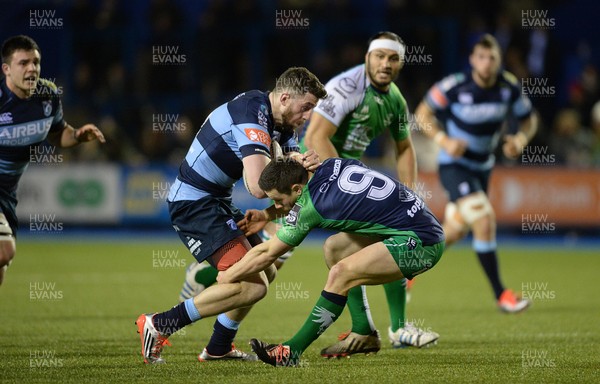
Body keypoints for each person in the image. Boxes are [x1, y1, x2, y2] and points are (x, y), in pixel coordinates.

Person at [177, 31, 439, 355]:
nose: (385, 64)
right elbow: (314, 138)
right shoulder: (347, 89)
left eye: (393, 58)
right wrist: (331, 180)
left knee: (286, 259)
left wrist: (404, 195)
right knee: (292, 259)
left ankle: (377, 330)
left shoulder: (394, 98)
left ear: (401, 64)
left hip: (325, 189)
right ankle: (208, 285)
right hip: (319, 184)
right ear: (367, 58)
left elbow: (404, 147)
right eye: (379, 56)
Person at [135, 67, 327, 364]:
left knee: (269, 269)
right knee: (253, 285)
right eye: (306, 108)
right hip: (194, 204)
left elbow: (289, 192)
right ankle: (160, 324)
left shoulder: (286, 127)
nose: (307, 116)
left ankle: (218, 347)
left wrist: (302, 168)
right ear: (286, 98)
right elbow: (258, 187)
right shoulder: (251, 112)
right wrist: (288, 160)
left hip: (216, 201)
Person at [217, 158, 445, 367]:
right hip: (419, 226)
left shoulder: (311, 207)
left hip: (422, 245)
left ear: (297, 189)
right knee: (334, 249)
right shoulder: (331, 164)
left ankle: (291, 352)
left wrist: (229, 275)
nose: (276, 206)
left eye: (277, 200)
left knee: (341, 274)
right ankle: (363, 332)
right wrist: (267, 215)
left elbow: (267, 253)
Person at [414, 34, 537, 313]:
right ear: (472, 60)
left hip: (483, 168)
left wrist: (520, 140)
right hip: (454, 166)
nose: (486, 63)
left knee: (453, 232)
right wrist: (444, 141)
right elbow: (422, 113)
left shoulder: (509, 87)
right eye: (481, 57)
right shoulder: (455, 85)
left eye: (492, 57)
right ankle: (501, 295)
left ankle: (404, 272)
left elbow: (529, 119)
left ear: (499, 60)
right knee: (483, 220)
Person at [0, 35, 105, 285]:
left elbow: (58, 134)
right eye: (23, 63)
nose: (32, 69)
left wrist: (78, 135)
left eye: (36, 62)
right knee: (5, 249)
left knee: (1, 265)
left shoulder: (47, 96)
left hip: (7, 193)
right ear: (6, 69)